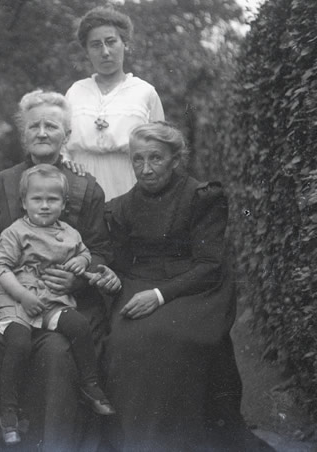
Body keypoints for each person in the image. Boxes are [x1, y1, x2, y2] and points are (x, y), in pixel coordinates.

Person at [0, 90, 121, 451]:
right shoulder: (2, 183)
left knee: (56, 351)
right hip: (12, 297)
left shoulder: (85, 186)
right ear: (24, 134)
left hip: (66, 299)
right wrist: (1, 274)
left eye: (51, 126)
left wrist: (77, 276)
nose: (41, 132)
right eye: (34, 125)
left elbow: (99, 248)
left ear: (66, 135)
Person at [103, 122, 262, 450]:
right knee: (124, 341)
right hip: (138, 282)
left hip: (195, 286)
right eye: (137, 160)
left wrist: (160, 296)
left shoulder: (203, 197)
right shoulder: (119, 207)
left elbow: (209, 264)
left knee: (172, 338)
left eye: (156, 159)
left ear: (176, 160)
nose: (145, 170)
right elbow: (116, 260)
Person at [0, 164, 115, 445]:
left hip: (52, 301)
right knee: (19, 343)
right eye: (37, 199)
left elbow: (84, 253)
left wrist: (80, 262)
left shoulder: (70, 233)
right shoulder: (15, 232)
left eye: (52, 200)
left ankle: (90, 384)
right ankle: (8, 411)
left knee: (79, 325)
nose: (45, 206)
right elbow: (1, 268)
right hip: (18, 300)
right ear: (24, 203)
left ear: (63, 204)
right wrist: (22, 296)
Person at [65, 6, 165, 201]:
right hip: (81, 183)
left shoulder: (145, 92)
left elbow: (160, 148)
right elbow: (61, 145)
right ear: (86, 51)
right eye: (95, 45)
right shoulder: (75, 92)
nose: (105, 52)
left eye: (111, 42)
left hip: (129, 182)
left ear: (125, 44)